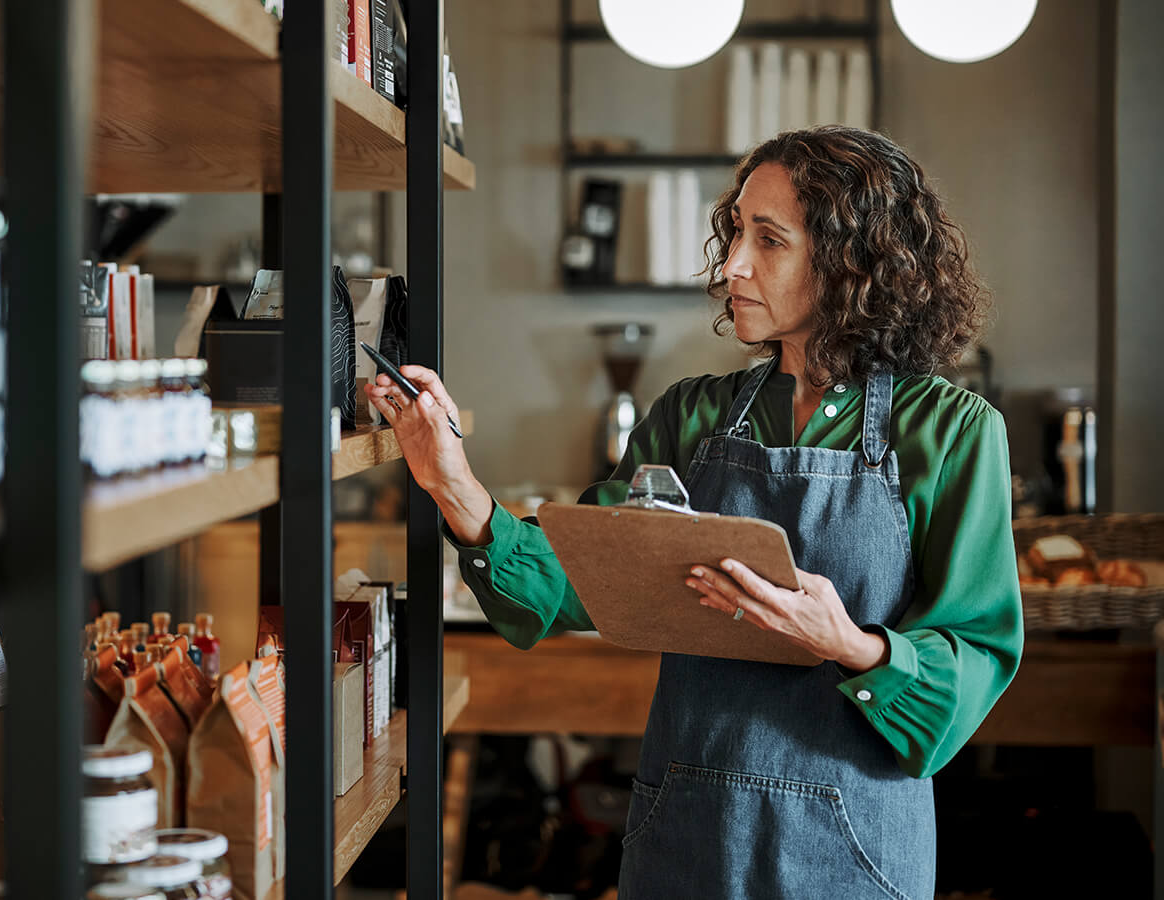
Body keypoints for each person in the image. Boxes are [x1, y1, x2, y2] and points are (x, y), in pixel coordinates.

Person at [367, 126, 1022, 899]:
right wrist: (452, 482)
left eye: (768, 240)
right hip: (687, 832)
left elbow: (975, 656)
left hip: (855, 848)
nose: (732, 265)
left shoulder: (952, 432)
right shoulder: (692, 417)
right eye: (736, 231)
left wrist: (846, 643)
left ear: (852, 261)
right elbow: (576, 580)